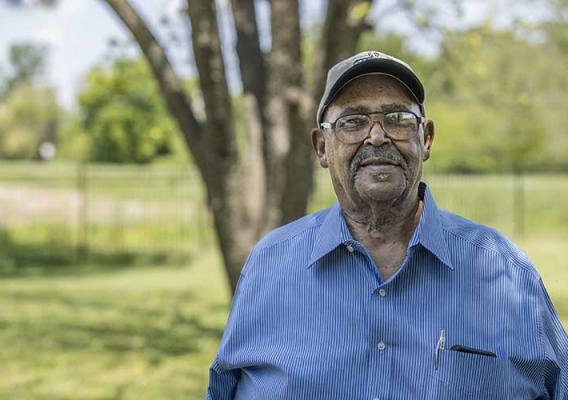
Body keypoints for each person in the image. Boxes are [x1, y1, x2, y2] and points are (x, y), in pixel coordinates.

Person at [206, 50, 568, 399]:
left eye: (397, 118)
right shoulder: (270, 263)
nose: (377, 136)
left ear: (425, 138)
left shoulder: (503, 270)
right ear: (321, 147)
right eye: (352, 122)